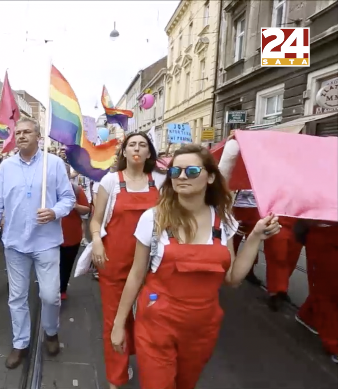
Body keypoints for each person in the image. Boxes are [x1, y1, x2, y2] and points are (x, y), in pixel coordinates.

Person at [110, 144, 280, 389]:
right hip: (157, 324)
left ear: (210, 177)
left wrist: (254, 237)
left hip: (203, 327)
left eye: (191, 171)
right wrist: (118, 325)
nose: (181, 177)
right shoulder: (153, 218)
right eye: (175, 172)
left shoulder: (224, 221)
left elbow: (231, 279)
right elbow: (136, 276)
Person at [0, 117, 76, 369]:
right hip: (15, 243)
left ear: (38, 136)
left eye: (27, 132)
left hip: (46, 242)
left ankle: (51, 330)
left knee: (49, 296)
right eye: (18, 132)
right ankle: (20, 342)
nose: (22, 135)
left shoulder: (54, 164)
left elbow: (68, 198)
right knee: (17, 296)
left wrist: (55, 211)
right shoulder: (6, 167)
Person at [89, 132, 166, 389]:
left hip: (153, 265)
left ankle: (150, 367)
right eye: (131, 144)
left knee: (148, 318)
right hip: (114, 261)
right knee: (114, 320)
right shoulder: (110, 181)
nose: (136, 148)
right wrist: (97, 241)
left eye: (142, 145)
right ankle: (116, 378)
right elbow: (96, 220)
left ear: (149, 153)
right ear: (123, 152)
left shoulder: (161, 181)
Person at [294, 220, 338, 363]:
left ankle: (307, 315)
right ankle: (333, 343)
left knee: (326, 288)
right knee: (326, 291)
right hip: (324, 236)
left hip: (326, 235)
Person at [59, 164, 90, 300]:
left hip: (72, 236)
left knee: (66, 265)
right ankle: (51, 290)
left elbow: (87, 210)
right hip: (51, 237)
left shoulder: (76, 190)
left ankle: (62, 289)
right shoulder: (45, 190)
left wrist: (75, 206)